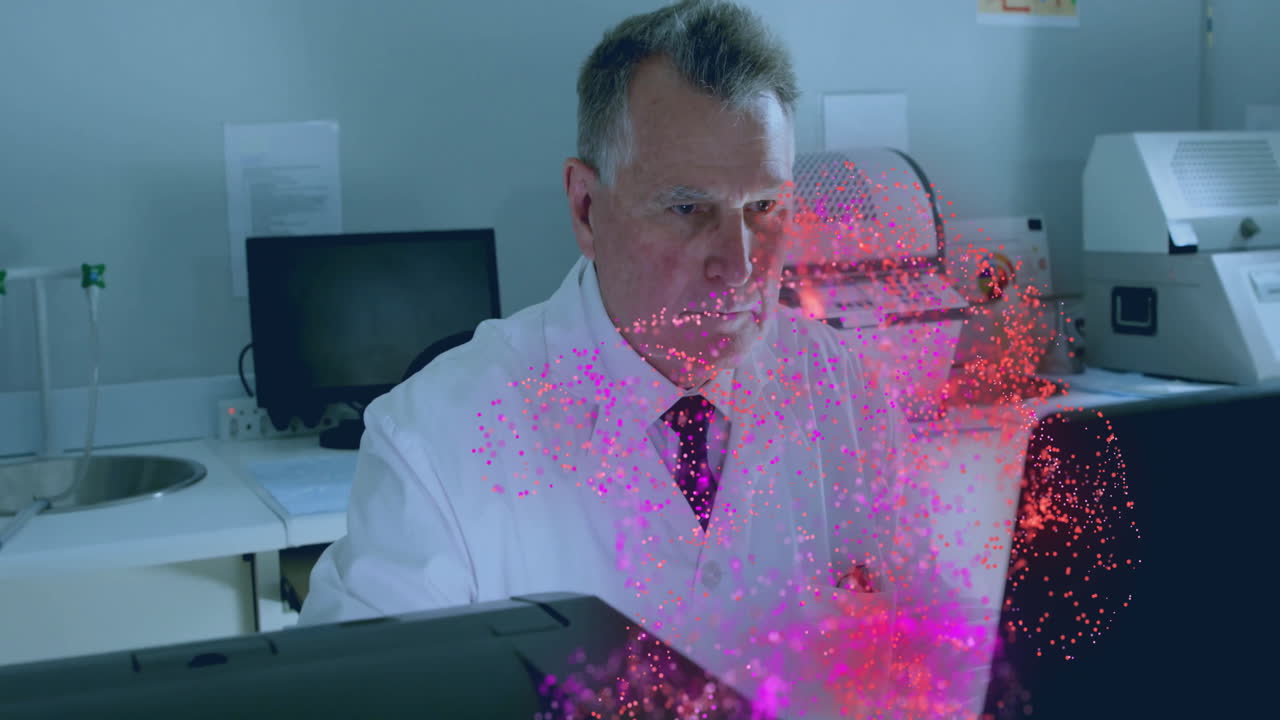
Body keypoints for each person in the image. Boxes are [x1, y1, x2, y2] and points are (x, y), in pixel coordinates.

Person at [301, 1, 986, 714]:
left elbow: (931, 656)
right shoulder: (436, 438)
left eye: (763, 207)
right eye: (688, 209)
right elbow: (354, 695)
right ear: (587, 209)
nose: (740, 263)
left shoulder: (838, 387)